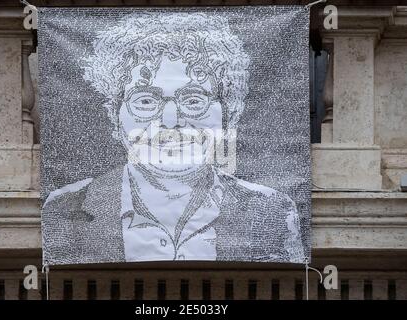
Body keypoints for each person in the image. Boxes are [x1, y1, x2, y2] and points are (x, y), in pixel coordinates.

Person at [42, 12, 305, 265]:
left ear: (228, 114)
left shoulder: (273, 212)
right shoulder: (64, 210)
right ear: (115, 116)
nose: (170, 120)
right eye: (145, 100)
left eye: (193, 100)